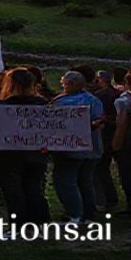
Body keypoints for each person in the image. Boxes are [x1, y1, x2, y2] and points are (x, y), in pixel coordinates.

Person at [0, 67, 50, 223]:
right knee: (34, 189)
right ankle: (39, 222)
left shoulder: (1, 105)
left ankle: (19, 224)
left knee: (13, 191)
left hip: (9, 154)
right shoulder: (43, 104)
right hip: (36, 152)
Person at [50, 71, 104, 223]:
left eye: (65, 84)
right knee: (85, 181)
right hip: (92, 148)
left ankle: (74, 214)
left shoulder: (62, 101)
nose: (63, 87)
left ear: (71, 84)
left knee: (66, 181)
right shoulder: (93, 100)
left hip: (69, 148)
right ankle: (88, 214)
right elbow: (99, 119)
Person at [92, 70, 119, 210]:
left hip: (105, 135)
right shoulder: (115, 93)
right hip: (112, 134)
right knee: (104, 169)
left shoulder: (101, 96)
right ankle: (110, 197)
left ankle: (105, 198)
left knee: (100, 169)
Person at [113, 71, 131, 214]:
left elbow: (122, 124)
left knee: (127, 174)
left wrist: (116, 144)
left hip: (128, 143)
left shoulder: (124, 101)